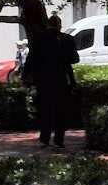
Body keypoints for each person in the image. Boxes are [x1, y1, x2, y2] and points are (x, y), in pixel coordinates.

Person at [25, 13, 80, 150]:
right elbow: (75, 59)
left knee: (45, 109)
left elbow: (31, 59)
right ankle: (58, 139)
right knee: (60, 110)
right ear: (60, 26)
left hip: (43, 79)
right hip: (61, 79)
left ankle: (44, 138)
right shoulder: (68, 39)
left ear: (48, 25)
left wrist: (26, 76)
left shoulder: (39, 39)